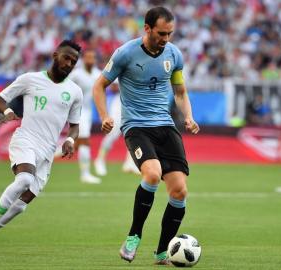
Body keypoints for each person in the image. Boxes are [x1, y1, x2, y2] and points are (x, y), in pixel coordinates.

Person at [92, 6, 199, 265]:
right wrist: (105, 116)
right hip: (136, 127)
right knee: (151, 174)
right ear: (147, 28)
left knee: (179, 192)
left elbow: (180, 91)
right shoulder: (125, 53)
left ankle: (163, 252)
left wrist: (188, 116)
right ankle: (133, 236)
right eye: (161, 33)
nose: (166, 38)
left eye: (170, 33)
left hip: (165, 125)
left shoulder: (174, 54)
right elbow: (100, 85)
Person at [0, 40, 83, 255]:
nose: (69, 63)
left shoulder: (75, 91)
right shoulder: (30, 79)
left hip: (48, 151)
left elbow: (75, 126)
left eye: (74, 61)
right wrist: (7, 113)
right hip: (26, 139)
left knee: (20, 206)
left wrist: (70, 140)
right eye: (66, 58)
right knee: (24, 179)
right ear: (55, 55)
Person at [67, 49, 102, 184]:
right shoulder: (76, 75)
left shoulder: (97, 74)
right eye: (87, 57)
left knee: (78, 143)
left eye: (92, 57)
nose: (90, 60)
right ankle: (85, 174)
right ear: (83, 59)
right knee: (84, 141)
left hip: (87, 111)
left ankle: (56, 152)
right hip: (75, 111)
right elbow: (65, 89)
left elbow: (109, 84)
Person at [94, 82, 140, 176]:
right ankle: (100, 159)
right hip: (121, 101)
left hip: (135, 101)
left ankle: (130, 162)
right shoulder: (123, 67)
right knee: (113, 131)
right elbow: (112, 87)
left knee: (135, 131)